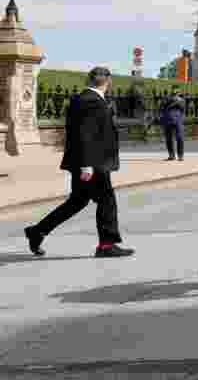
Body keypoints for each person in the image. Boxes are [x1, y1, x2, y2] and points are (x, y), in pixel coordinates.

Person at [24, 67, 135, 258]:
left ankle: (38, 231)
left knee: (78, 201)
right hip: (92, 163)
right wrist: (86, 164)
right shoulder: (92, 101)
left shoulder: (84, 99)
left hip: (88, 161)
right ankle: (106, 245)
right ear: (108, 82)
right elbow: (85, 135)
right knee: (106, 200)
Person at [159, 89, 186, 161]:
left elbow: (183, 109)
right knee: (169, 138)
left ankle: (180, 155)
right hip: (169, 120)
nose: (175, 95)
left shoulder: (181, 100)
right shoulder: (166, 99)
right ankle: (172, 155)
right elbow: (162, 107)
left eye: (176, 93)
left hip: (177, 120)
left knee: (179, 138)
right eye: (174, 93)